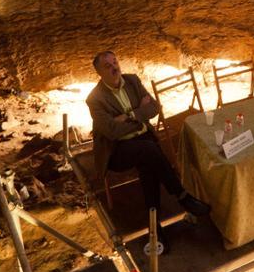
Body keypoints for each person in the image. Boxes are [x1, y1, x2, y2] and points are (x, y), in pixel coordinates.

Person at [85, 51, 210, 229]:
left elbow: (154, 108)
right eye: (108, 66)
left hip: (143, 140)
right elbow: (112, 132)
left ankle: (155, 227)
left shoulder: (132, 81)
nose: (114, 67)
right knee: (149, 150)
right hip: (117, 149)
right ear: (99, 73)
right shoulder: (95, 99)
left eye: (115, 62)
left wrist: (129, 116)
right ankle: (182, 196)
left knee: (148, 166)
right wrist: (139, 117)